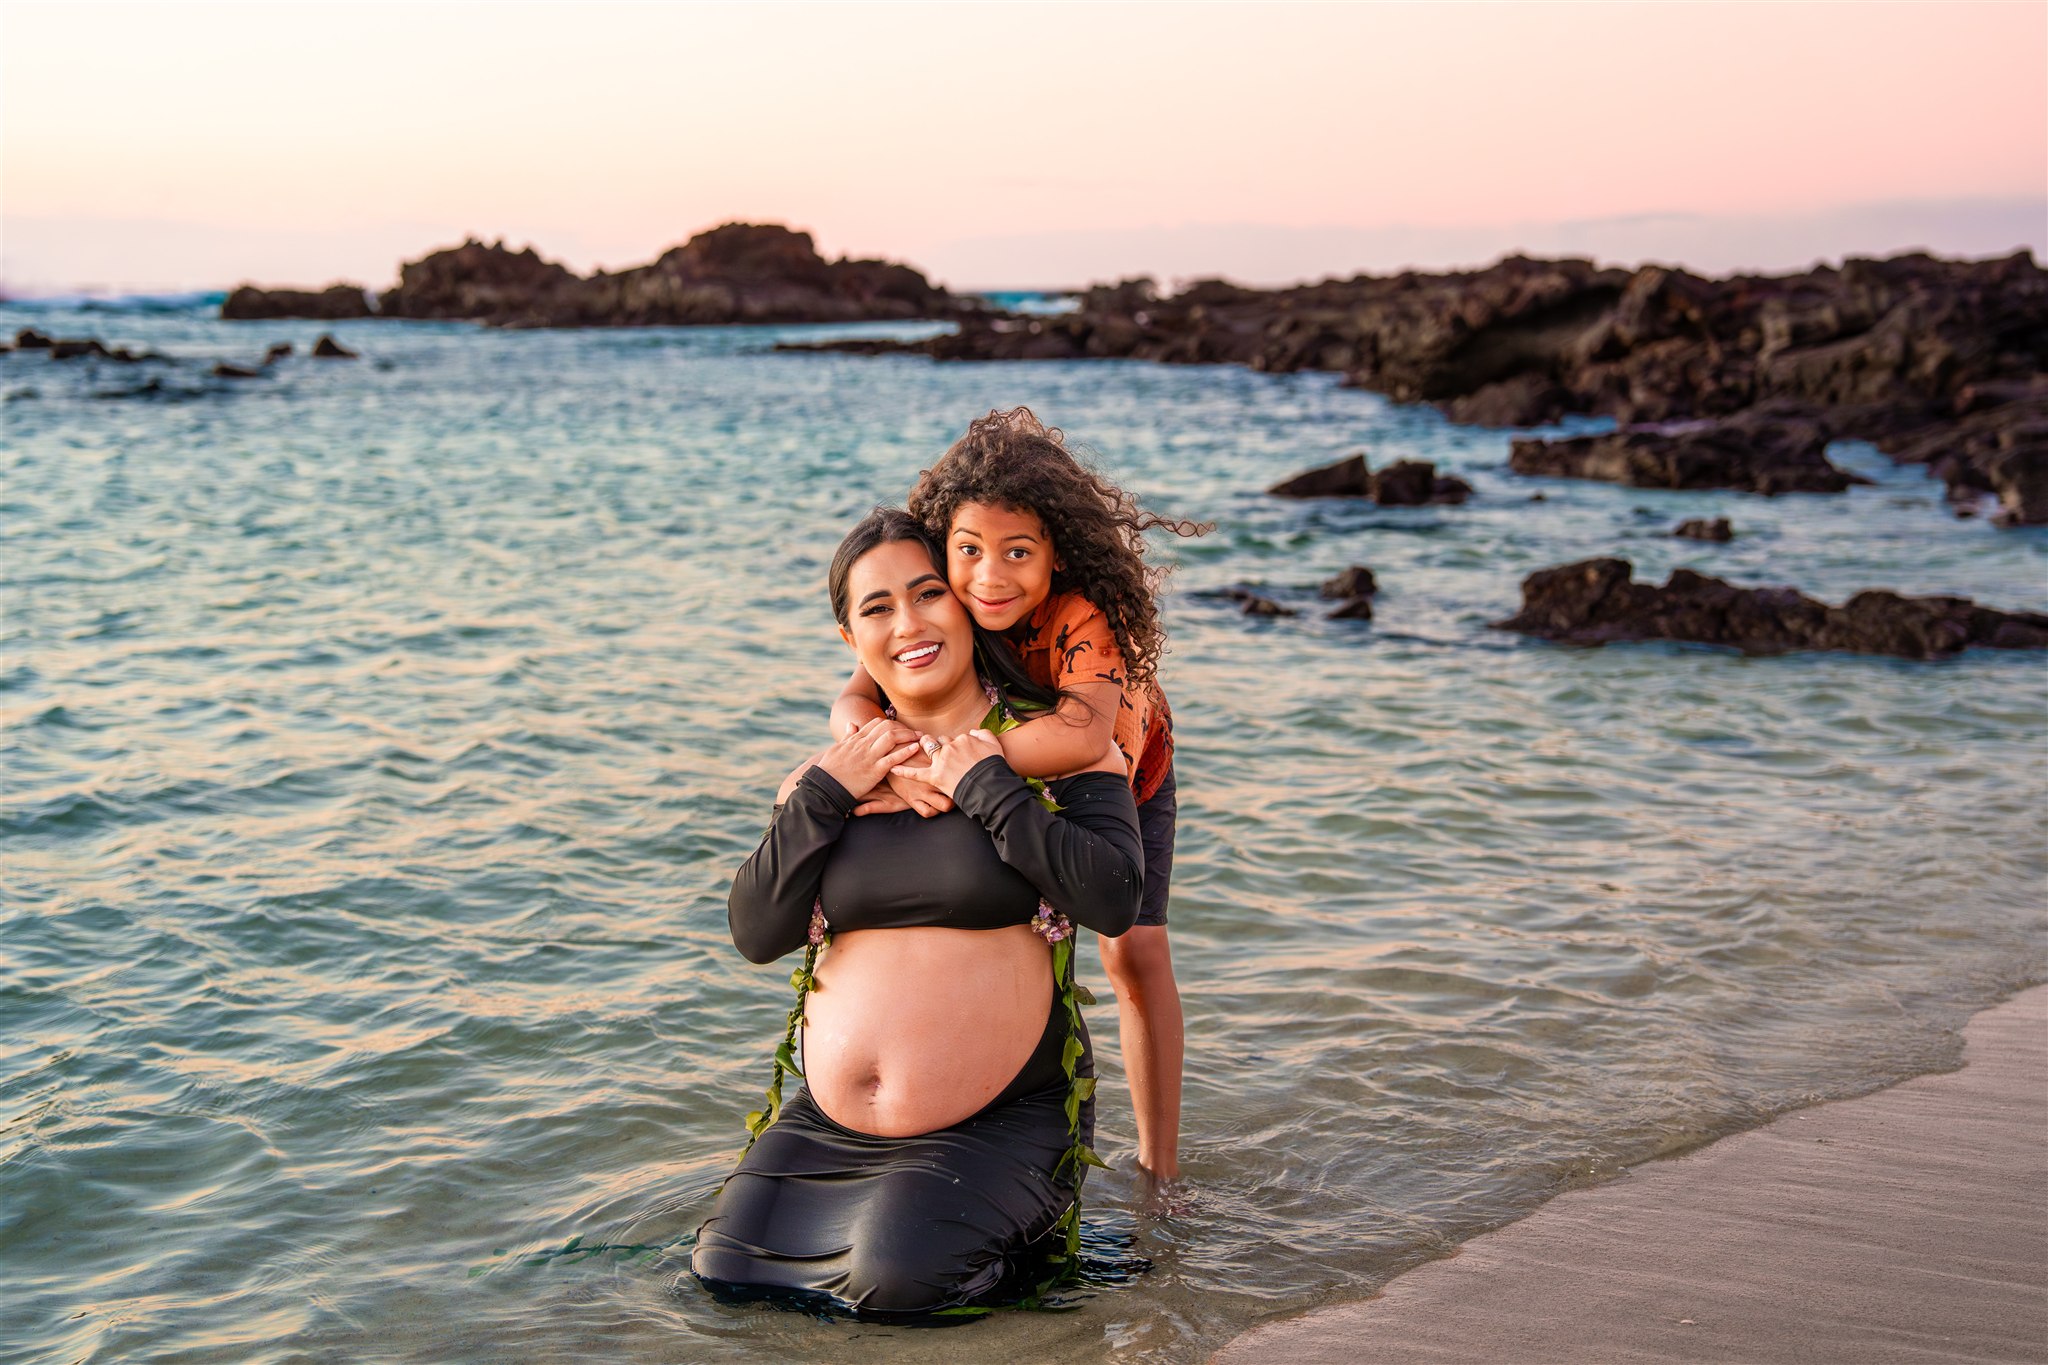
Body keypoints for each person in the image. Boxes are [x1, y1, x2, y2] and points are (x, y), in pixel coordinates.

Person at [692, 508, 1143, 1318]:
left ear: (965, 605)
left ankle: (1040, 1259)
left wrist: (989, 787)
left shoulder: (1061, 751)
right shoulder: (829, 776)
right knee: (726, 1273)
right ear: (848, 638)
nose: (908, 623)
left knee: (896, 1287)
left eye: (928, 592)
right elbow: (756, 931)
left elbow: (1114, 898)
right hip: (831, 1125)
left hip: (1004, 1116)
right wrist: (830, 791)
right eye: (876, 607)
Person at [831, 409, 1206, 1181]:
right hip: (994, 765)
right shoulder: (948, 599)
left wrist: (957, 761)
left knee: (1131, 948)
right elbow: (852, 702)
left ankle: (1159, 1168)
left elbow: (1080, 735)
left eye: (1018, 553)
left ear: (1055, 553)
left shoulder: (1081, 616)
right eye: (967, 551)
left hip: (1125, 767)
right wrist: (899, 761)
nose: (990, 576)